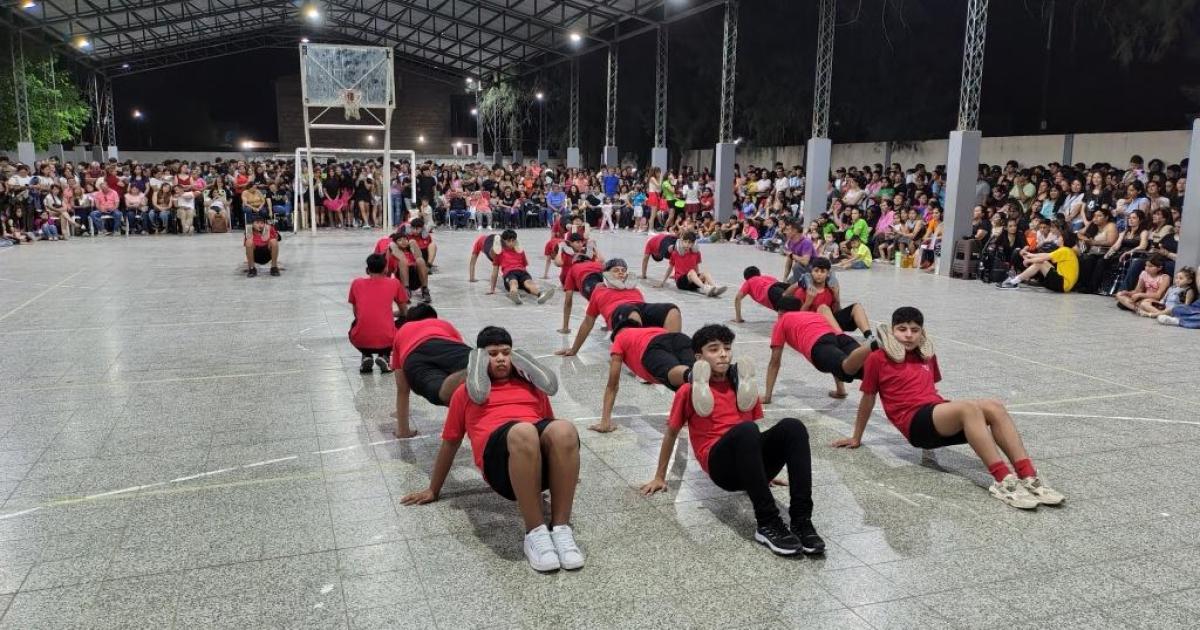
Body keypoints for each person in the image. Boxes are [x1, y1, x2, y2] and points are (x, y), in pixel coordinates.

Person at [834, 307, 1065, 510]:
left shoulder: (927, 355)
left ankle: (1029, 477)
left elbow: (928, 390)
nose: (908, 335)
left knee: (994, 406)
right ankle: (1003, 481)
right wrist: (856, 437)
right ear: (892, 331)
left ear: (922, 332)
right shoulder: (878, 358)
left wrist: (950, 416)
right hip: (913, 423)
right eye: (902, 329)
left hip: (933, 415)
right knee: (967, 408)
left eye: (914, 330)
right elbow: (868, 399)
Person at [400, 327, 584, 573]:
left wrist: (565, 472)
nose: (500, 358)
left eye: (506, 353)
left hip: (532, 460)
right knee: (524, 431)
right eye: (493, 353)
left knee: (564, 429)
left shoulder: (532, 387)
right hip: (500, 463)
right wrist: (433, 489)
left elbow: (551, 432)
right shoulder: (465, 393)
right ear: (481, 358)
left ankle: (561, 530)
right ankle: (535, 533)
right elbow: (451, 441)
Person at [639, 324, 824, 556]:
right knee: (746, 430)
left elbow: (756, 431)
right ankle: (767, 523)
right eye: (714, 349)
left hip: (747, 460)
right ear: (699, 357)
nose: (723, 354)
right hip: (721, 467)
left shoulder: (744, 386)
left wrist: (761, 471)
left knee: (793, 427)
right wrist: (659, 476)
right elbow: (672, 433)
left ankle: (801, 519)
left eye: (727, 348)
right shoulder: (688, 391)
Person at [557, 259, 682, 356]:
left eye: (623, 270)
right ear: (606, 274)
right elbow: (588, 322)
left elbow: (644, 314)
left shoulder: (635, 289)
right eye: (616, 270)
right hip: (621, 313)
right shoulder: (599, 291)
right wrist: (574, 349)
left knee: (672, 310)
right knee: (631, 313)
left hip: (638, 309)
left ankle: (670, 354)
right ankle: (640, 362)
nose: (621, 272)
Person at [389, 304, 471, 438]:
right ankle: (480, 369)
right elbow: (458, 351)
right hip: (447, 345)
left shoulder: (403, 330)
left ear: (410, 320)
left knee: (438, 390)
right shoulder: (443, 324)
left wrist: (402, 431)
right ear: (434, 317)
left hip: (414, 355)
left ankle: (451, 384)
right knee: (470, 370)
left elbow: (402, 389)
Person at [764, 306, 876, 401]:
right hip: (839, 337)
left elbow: (774, 361)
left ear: (780, 312)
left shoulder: (782, 321)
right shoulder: (813, 315)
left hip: (818, 344)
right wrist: (840, 391)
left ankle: (870, 346)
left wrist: (767, 396)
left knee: (845, 368)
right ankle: (872, 345)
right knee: (871, 371)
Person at [349, 253, 408, 373]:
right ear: (386, 269)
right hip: (387, 337)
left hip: (361, 338)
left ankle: (366, 355)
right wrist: (392, 314)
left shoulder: (356, 283)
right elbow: (404, 311)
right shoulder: (394, 283)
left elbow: (356, 312)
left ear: (367, 269)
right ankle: (384, 355)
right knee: (405, 320)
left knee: (356, 323)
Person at [489, 229, 555, 305]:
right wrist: (492, 289)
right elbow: (495, 271)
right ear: (503, 241)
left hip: (522, 272)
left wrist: (527, 279)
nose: (511, 243)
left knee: (528, 283)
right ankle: (515, 294)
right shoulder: (499, 253)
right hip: (509, 273)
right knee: (513, 282)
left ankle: (540, 294)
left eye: (513, 240)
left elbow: (524, 267)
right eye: (508, 241)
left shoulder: (520, 251)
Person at [997, 231, 1079, 291]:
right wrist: (1030, 255)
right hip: (1065, 284)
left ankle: (1013, 282)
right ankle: (1015, 280)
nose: (1058, 238)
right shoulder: (1067, 250)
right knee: (1044, 262)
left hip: (1063, 284)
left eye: (1060, 236)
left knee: (1040, 264)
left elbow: (1043, 258)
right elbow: (1045, 255)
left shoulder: (1064, 250)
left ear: (1064, 240)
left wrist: (1029, 260)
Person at [556, 236, 605, 334]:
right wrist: (595, 247)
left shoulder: (573, 268)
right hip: (602, 277)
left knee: (597, 295)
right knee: (605, 298)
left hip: (588, 281)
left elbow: (568, 299)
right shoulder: (597, 264)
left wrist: (565, 327)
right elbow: (603, 262)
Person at [657, 230, 726, 297]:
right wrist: (663, 282)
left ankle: (715, 288)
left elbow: (696, 268)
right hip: (681, 282)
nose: (687, 244)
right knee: (692, 272)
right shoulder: (675, 253)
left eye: (689, 243)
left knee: (705, 273)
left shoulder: (696, 253)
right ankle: (705, 288)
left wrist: (702, 279)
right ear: (682, 241)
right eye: (685, 242)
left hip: (691, 281)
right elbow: (670, 268)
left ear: (693, 244)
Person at [375, 226, 431, 302]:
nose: (403, 241)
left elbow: (421, 261)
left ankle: (425, 290)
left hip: (416, 279)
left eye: (405, 239)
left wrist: (412, 244)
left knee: (420, 260)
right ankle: (406, 291)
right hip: (403, 281)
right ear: (396, 244)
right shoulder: (393, 255)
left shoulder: (412, 250)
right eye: (400, 240)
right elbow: (387, 272)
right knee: (403, 261)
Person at [732, 266, 803, 322]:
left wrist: (738, 318)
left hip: (770, 291)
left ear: (746, 278)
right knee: (799, 297)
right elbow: (778, 284)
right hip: (779, 285)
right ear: (759, 273)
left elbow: (737, 298)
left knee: (789, 306)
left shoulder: (749, 281)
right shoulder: (765, 277)